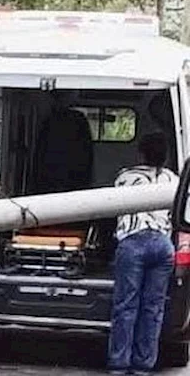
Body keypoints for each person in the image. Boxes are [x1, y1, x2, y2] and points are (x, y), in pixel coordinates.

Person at [108, 132, 179, 375]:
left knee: (126, 307)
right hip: (162, 245)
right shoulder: (173, 179)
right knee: (153, 308)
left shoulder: (126, 177)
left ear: (140, 153)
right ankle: (143, 366)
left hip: (133, 243)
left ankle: (119, 364)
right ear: (165, 156)